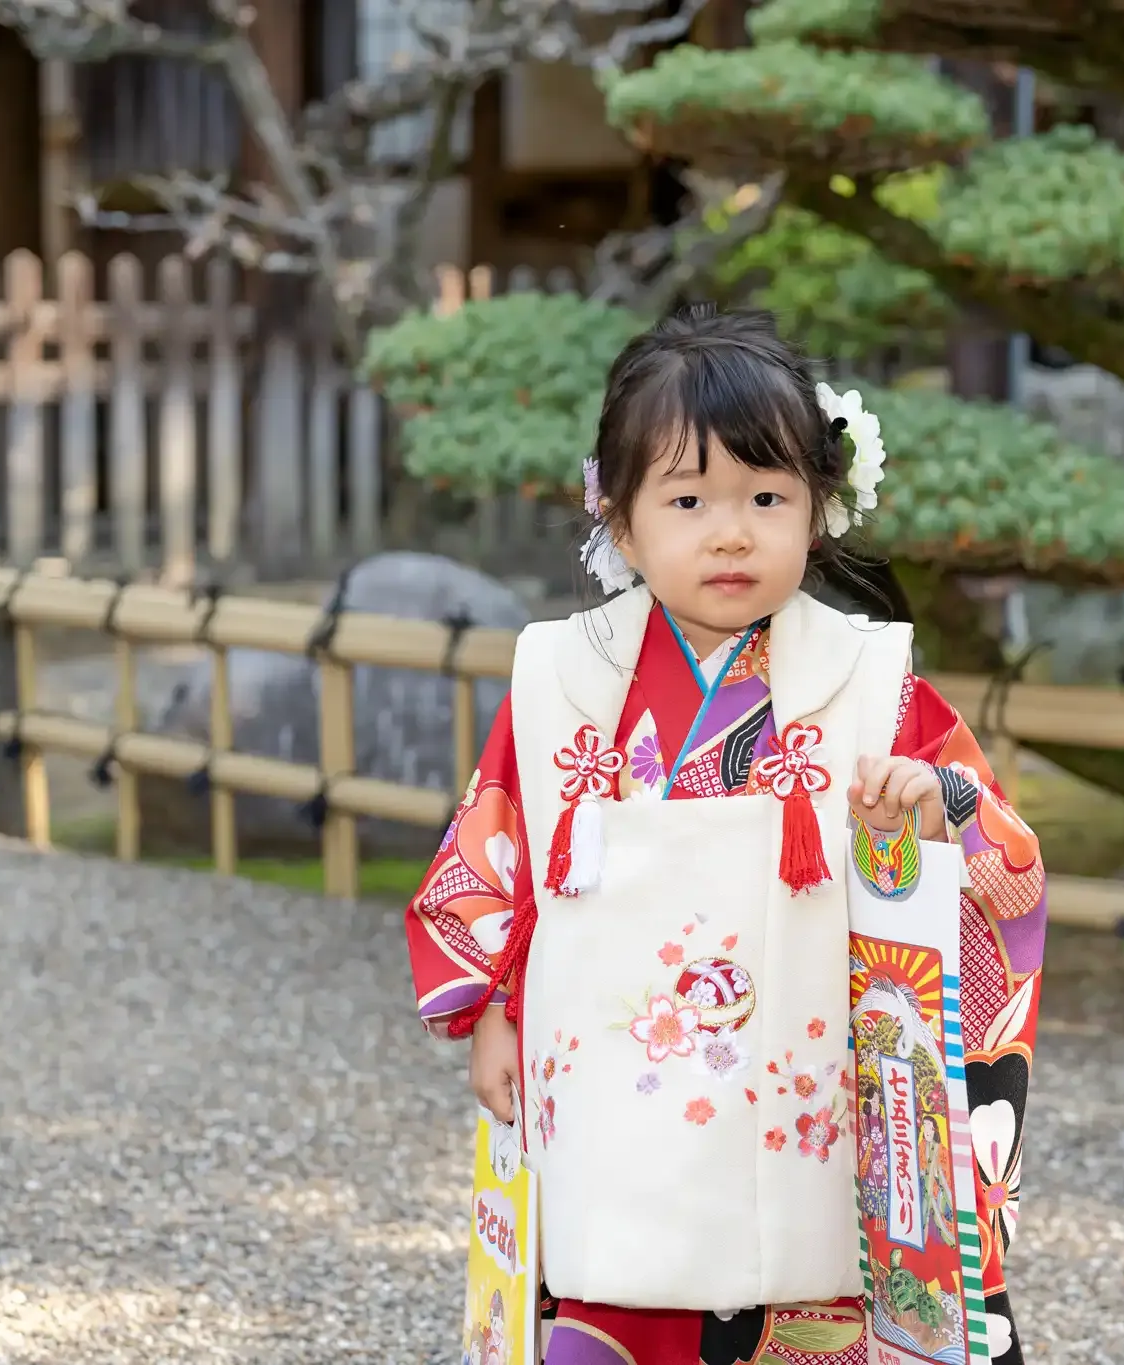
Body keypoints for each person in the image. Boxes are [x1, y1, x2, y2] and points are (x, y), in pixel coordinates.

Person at [406, 305, 1047, 1365]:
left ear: (817, 510)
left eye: (766, 496)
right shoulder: (558, 684)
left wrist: (926, 812)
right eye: (688, 498)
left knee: (817, 1302)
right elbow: (496, 859)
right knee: (612, 1285)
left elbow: (1000, 863)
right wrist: (494, 1012)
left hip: (814, 1110)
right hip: (615, 1107)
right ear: (619, 521)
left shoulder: (872, 683)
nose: (731, 530)